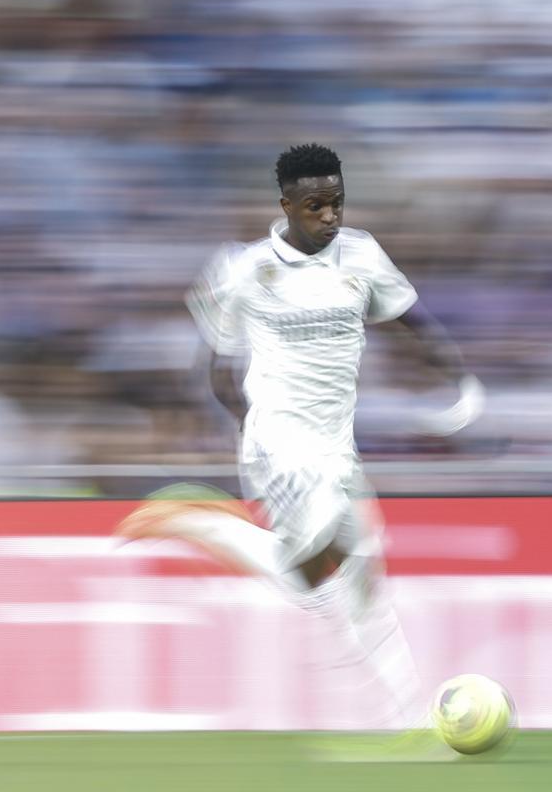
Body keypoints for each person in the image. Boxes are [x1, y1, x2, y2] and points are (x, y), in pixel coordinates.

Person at [116, 143, 484, 734]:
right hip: (279, 442)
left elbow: (409, 321)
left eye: (337, 203)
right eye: (316, 206)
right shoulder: (244, 269)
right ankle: (207, 525)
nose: (330, 217)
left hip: (336, 443)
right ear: (286, 204)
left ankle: (412, 725)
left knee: (353, 579)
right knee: (329, 558)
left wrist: (456, 375)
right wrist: (252, 432)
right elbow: (213, 367)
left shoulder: (360, 256)